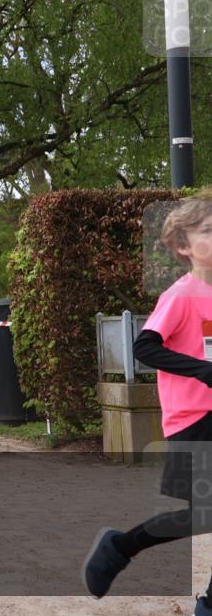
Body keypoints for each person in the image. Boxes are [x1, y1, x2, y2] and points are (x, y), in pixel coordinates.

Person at [83, 195, 212, 614]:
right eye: (208, 231)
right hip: (193, 420)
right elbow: (143, 346)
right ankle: (121, 545)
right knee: (203, 516)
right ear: (183, 247)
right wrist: (200, 370)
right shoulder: (181, 295)